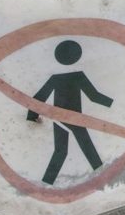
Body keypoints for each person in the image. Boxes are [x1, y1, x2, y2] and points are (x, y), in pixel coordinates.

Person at [27, 40, 113, 185]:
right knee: (87, 147)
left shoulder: (55, 78)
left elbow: (39, 98)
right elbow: (94, 96)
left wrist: (32, 116)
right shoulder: (78, 76)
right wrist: (112, 103)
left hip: (59, 119)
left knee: (61, 151)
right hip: (74, 119)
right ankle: (103, 178)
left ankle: (47, 182)